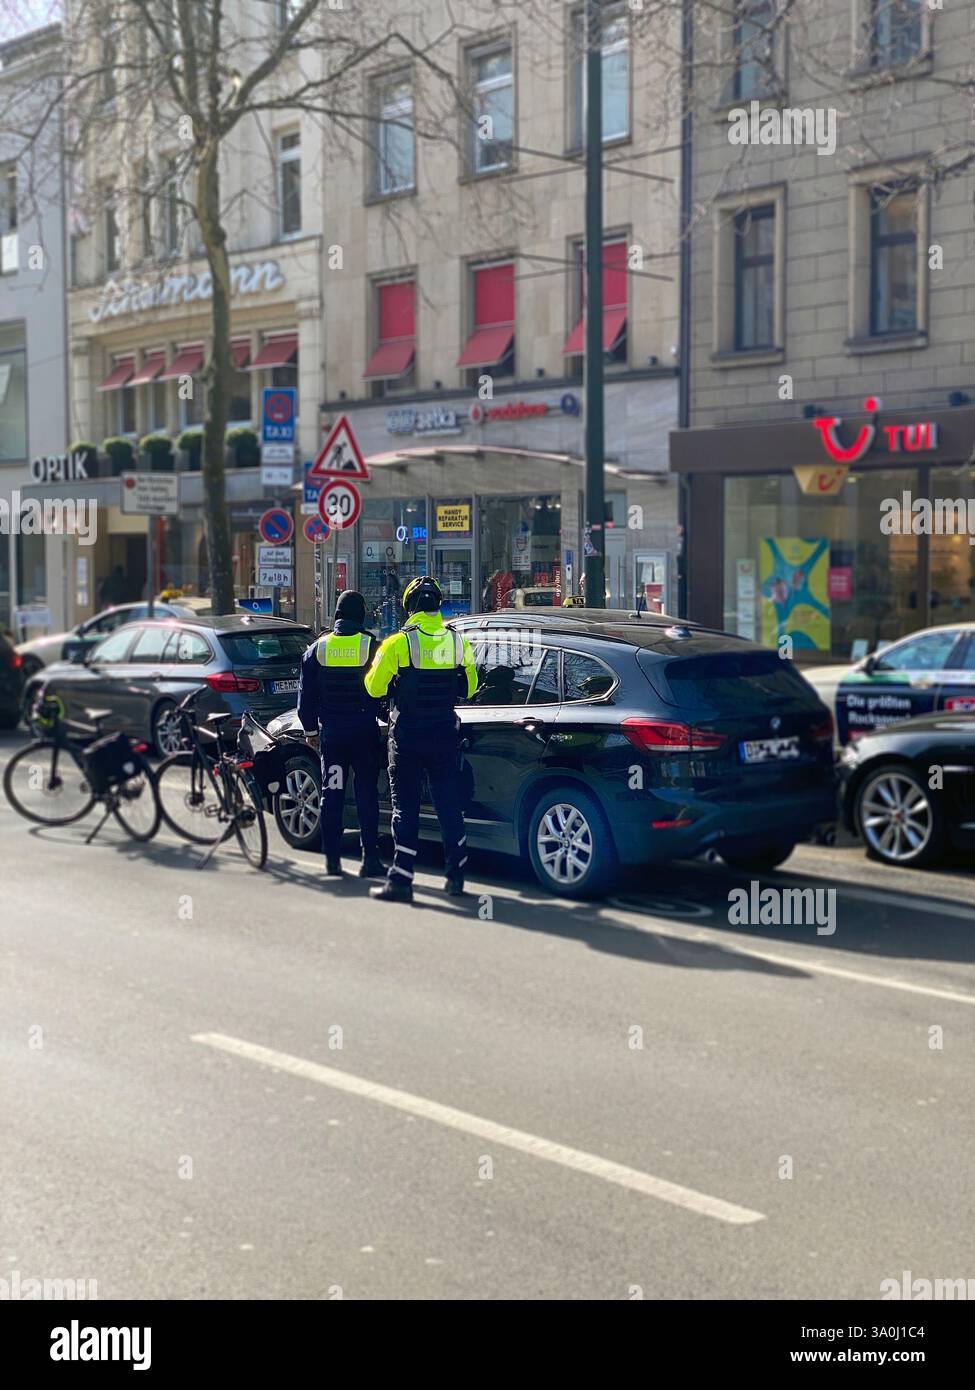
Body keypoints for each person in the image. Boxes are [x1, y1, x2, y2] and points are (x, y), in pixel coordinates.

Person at [364, 575, 477, 903]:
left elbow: (373, 687)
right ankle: (456, 876)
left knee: (405, 808)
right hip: (444, 735)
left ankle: (401, 880)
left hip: (408, 736)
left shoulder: (397, 643)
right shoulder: (458, 642)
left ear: (409, 607)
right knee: (449, 806)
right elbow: (470, 688)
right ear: (438, 605)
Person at [297, 590, 385, 879]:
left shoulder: (317, 649)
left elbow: (305, 697)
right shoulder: (371, 647)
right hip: (364, 734)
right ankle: (370, 859)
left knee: (332, 794)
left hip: (333, 736)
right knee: (366, 794)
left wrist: (311, 730)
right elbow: (383, 690)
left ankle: (333, 860)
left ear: (337, 615)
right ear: (361, 615)